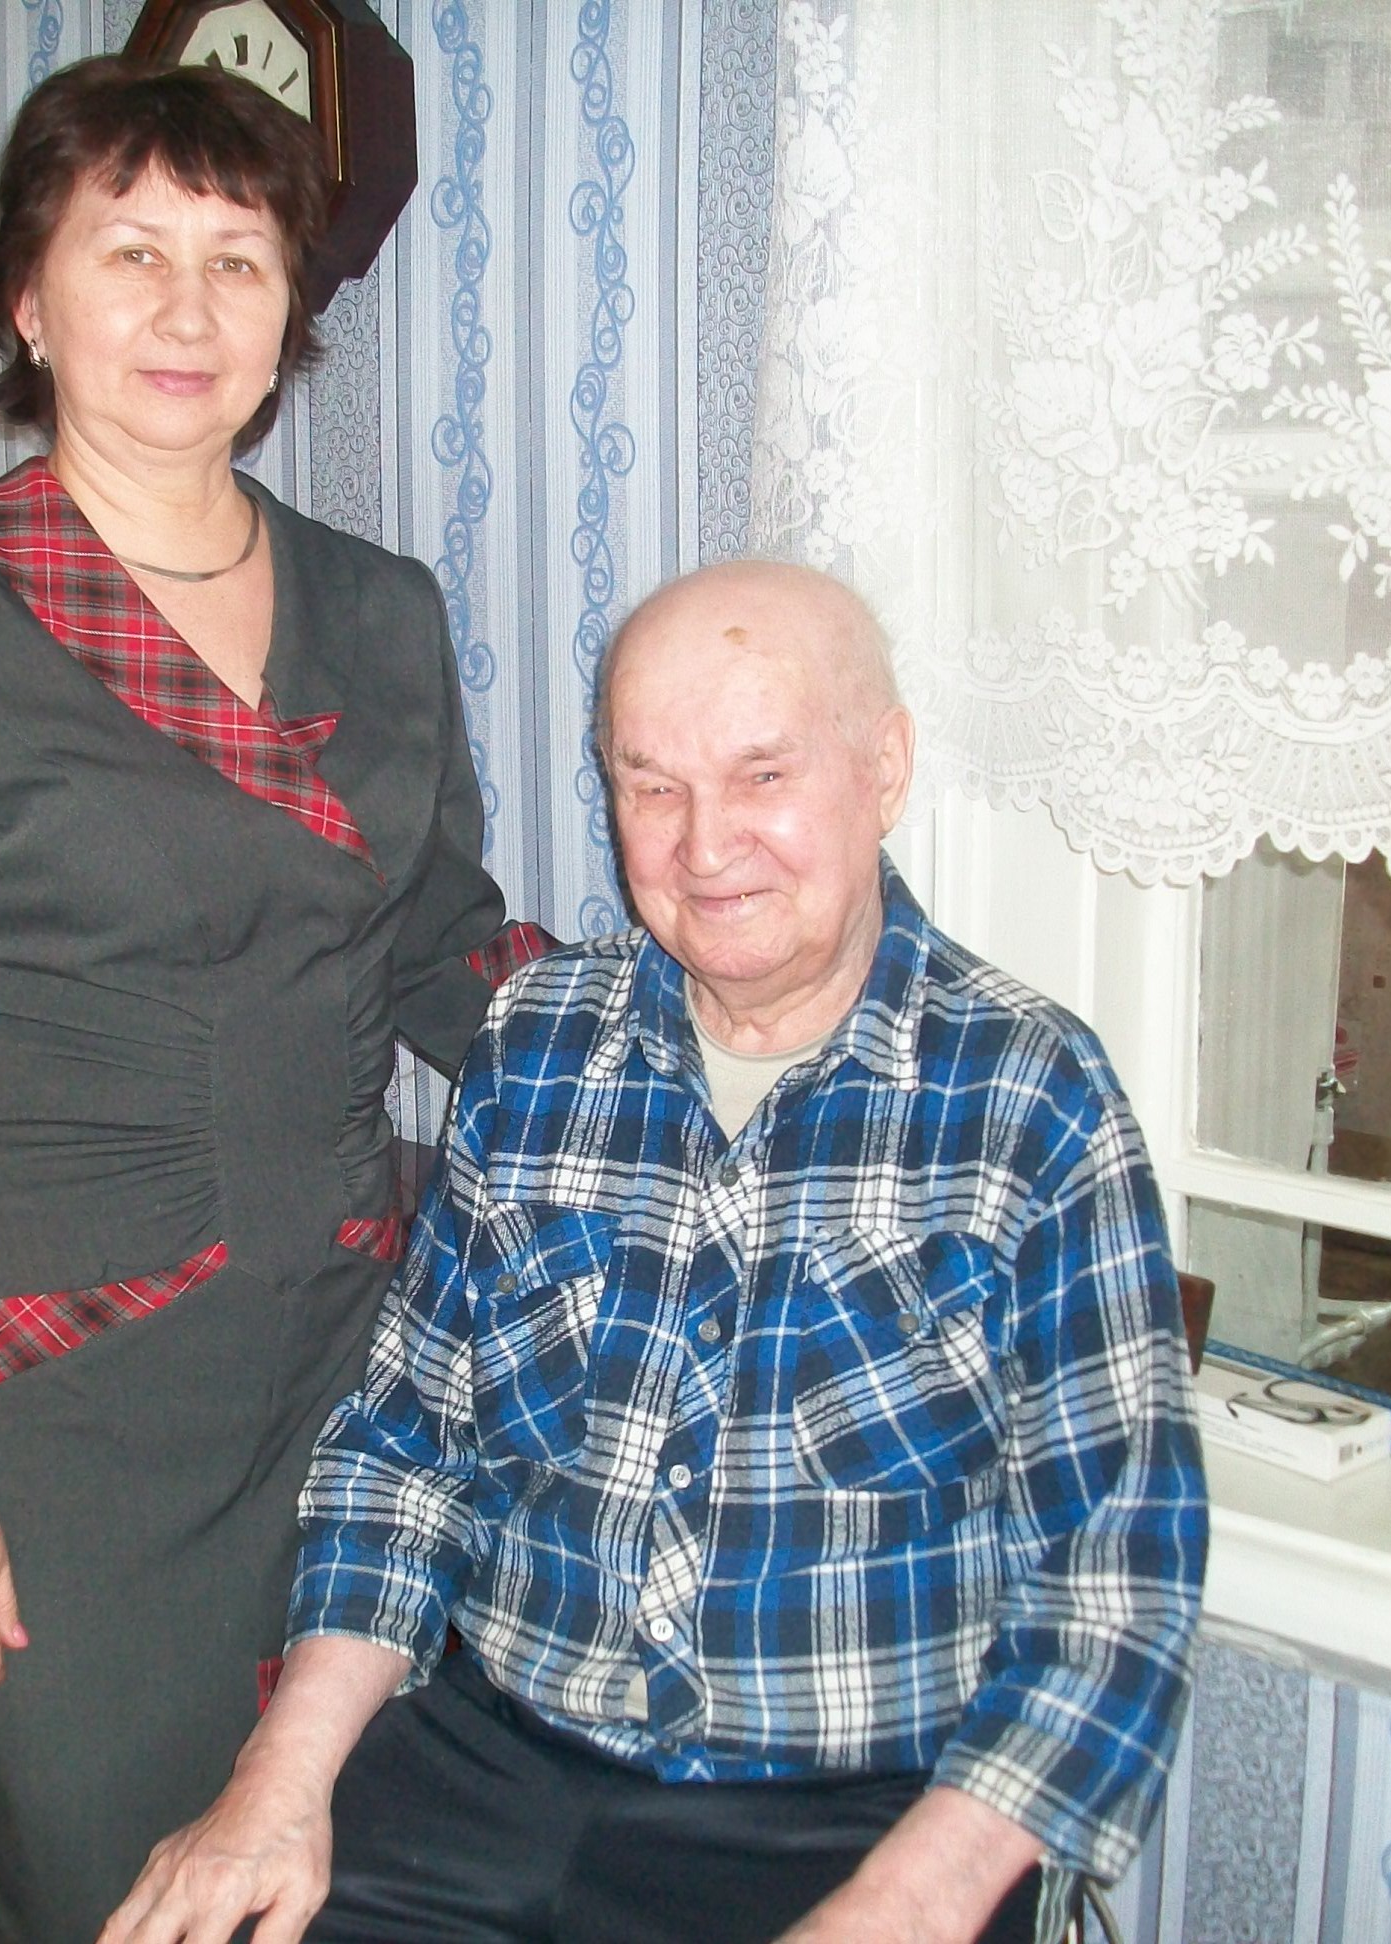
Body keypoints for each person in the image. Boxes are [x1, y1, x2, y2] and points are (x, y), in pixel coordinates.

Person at [102, 560, 1207, 1944]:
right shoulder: (537, 1042)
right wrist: (278, 1783)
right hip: (492, 1763)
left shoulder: (1030, 1097)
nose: (704, 845)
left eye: (762, 776)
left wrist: (902, 1907)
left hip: (860, 1821)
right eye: (652, 786)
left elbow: (1116, 1582)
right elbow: (405, 1450)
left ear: (883, 769)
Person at [0, 56, 549, 1943]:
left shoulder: (382, 606)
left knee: (345, 1882)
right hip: (55, 1416)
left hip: (349, 1386)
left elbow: (441, 950)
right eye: (131, 252)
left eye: (238, 261)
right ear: (29, 302)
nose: (189, 310)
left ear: (288, 315)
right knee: (94, 1892)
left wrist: (713, 1033)